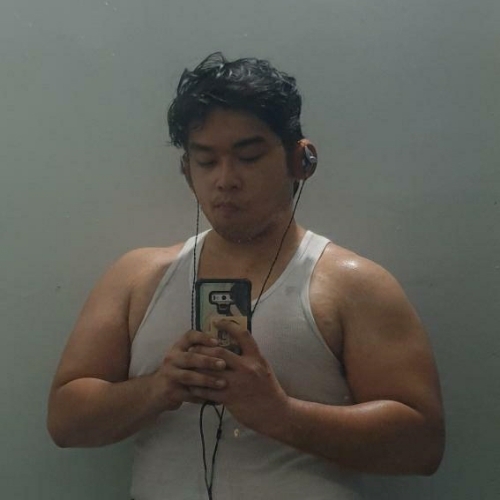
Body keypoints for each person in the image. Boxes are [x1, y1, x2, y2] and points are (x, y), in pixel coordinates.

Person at [47, 52, 445, 500]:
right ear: (186, 172)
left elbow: (423, 446)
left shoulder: (354, 284)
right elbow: (65, 421)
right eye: (206, 161)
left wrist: (280, 414)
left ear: (301, 161)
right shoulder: (137, 278)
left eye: (249, 157)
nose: (226, 180)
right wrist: (157, 388)